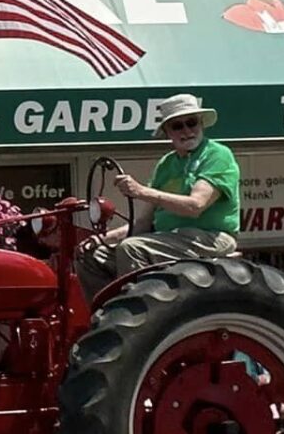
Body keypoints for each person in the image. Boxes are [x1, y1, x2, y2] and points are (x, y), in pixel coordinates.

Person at [77, 94, 239, 297]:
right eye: (177, 126)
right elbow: (144, 223)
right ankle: (104, 314)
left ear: (201, 124)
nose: (187, 131)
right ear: (167, 132)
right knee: (91, 255)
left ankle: (139, 316)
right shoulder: (166, 164)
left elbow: (196, 205)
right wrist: (101, 239)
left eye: (191, 123)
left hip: (208, 237)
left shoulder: (217, 155)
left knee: (132, 248)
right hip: (169, 239)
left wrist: (142, 191)